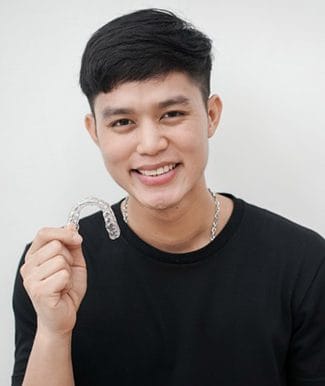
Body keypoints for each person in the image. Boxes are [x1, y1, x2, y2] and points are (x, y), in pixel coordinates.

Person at [12, 8, 325, 386]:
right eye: (122, 122)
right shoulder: (52, 270)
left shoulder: (304, 264)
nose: (151, 144)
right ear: (95, 132)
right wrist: (53, 330)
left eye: (172, 114)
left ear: (211, 115)